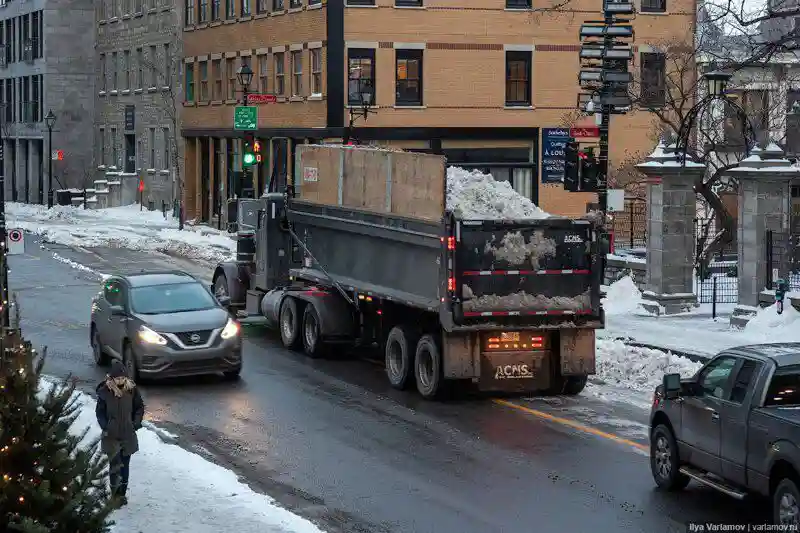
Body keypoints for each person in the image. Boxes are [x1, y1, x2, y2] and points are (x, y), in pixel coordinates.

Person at [95, 361, 144, 506]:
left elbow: (139, 407)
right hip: (112, 435)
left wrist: (135, 423)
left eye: (123, 378)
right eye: (118, 379)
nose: (120, 381)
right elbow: (100, 412)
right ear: (112, 378)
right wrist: (106, 426)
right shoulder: (105, 392)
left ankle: (122, 494)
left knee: (125, 465)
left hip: (128, 433)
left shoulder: (132, 390)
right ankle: (114, 495)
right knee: (114, 465)